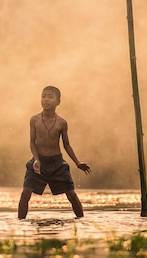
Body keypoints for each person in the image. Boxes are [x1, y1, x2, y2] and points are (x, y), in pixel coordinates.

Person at [17, 86, 92, 219]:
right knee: (25, 193)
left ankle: (82, 222)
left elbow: (66, 145)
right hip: (38, 161)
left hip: (57, 163)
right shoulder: (34, 120)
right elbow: (32, 142)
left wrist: (77, 162)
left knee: (72, 195)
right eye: (43, 96)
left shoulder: (62, 123)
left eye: (50, 97)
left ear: (58, 101)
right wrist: (36, 160)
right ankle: (20, 223)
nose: (46, 100)